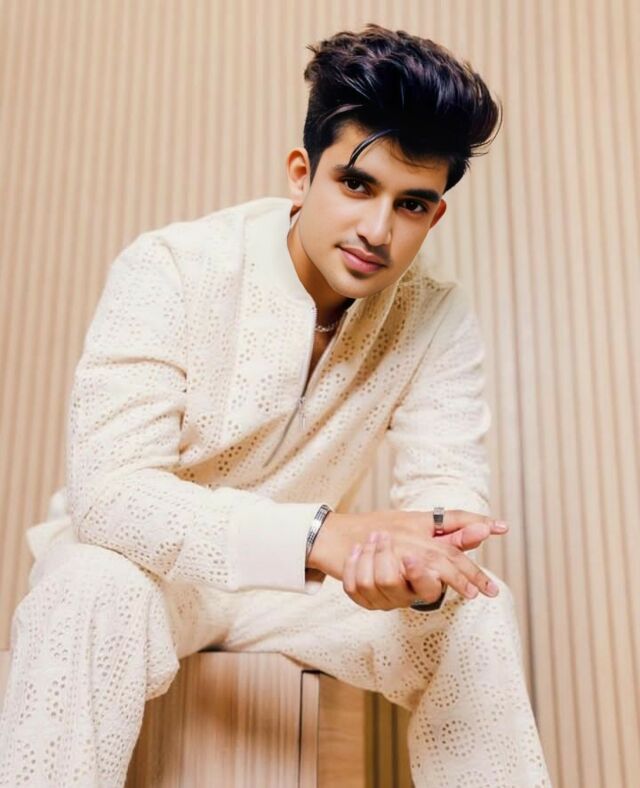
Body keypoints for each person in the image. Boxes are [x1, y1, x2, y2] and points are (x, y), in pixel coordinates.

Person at [0, 23, 551, 787]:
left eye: (412, 204)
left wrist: (419, 571)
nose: (378, 230)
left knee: (475, 611)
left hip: (297, 594)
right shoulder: (173, 267)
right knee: (89, 585)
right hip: (151, 576)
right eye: (356, 185)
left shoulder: (438, 315)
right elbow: (110, 495)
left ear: (435, 215)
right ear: (302, 174)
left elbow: (445, 498)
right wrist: (319, 536)